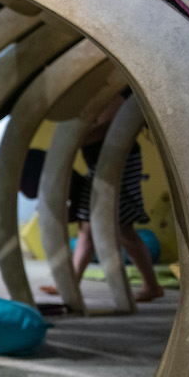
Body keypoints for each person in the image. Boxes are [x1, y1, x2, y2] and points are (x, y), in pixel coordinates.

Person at [42, 95, 164, 303]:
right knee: (87, 228)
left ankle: (152, 286)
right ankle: (70, 284)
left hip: (119, 166)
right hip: (98, 168)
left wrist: (74, 138)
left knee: (124, 228)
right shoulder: (90, 96)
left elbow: (110, 125)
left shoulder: (112, 94)